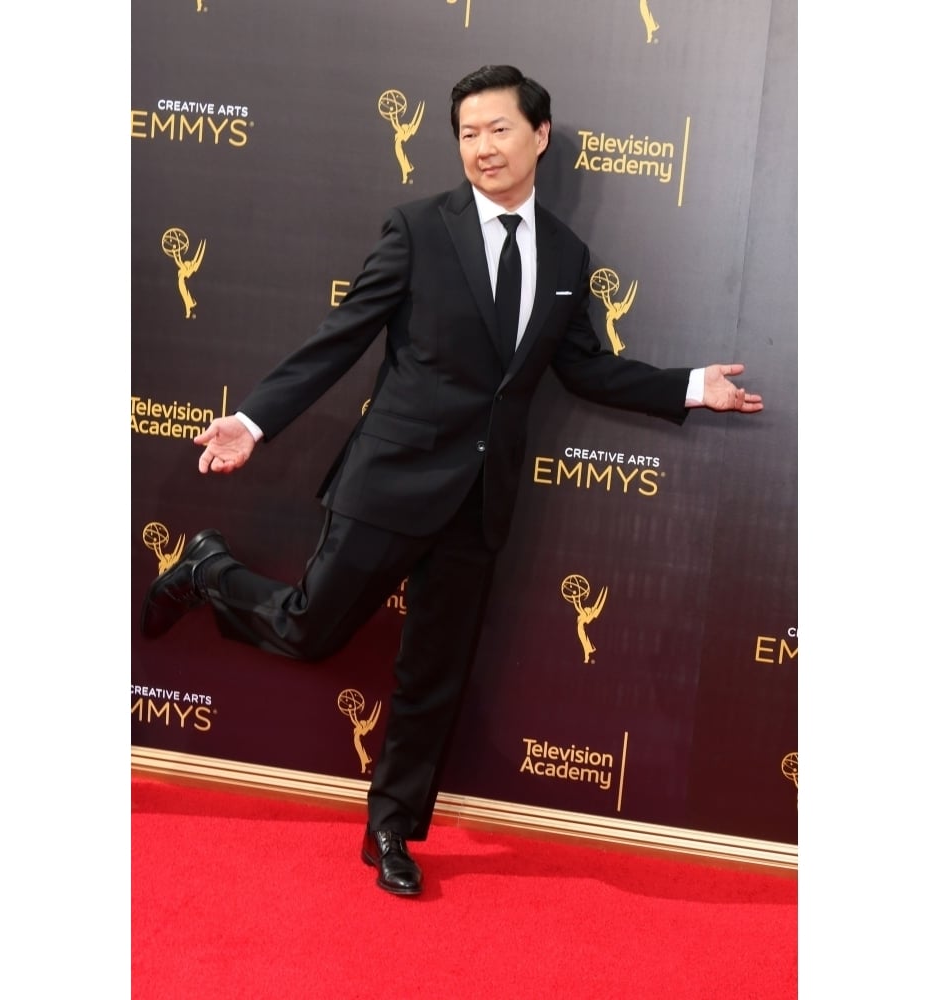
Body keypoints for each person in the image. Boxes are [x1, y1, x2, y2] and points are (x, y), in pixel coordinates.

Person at [140, 64, 764, 897]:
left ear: (539, 135)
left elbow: (583, 369)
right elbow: (342, 335)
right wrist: (253, 421)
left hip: (479, 503)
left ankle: (391, 830)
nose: (482, 148)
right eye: (467, 134)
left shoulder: (570, 256)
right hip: (389, 481)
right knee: (309, 629)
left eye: (498, 129)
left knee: (432, 677)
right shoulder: (418, 228)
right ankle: (207, 567)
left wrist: (690, 386)